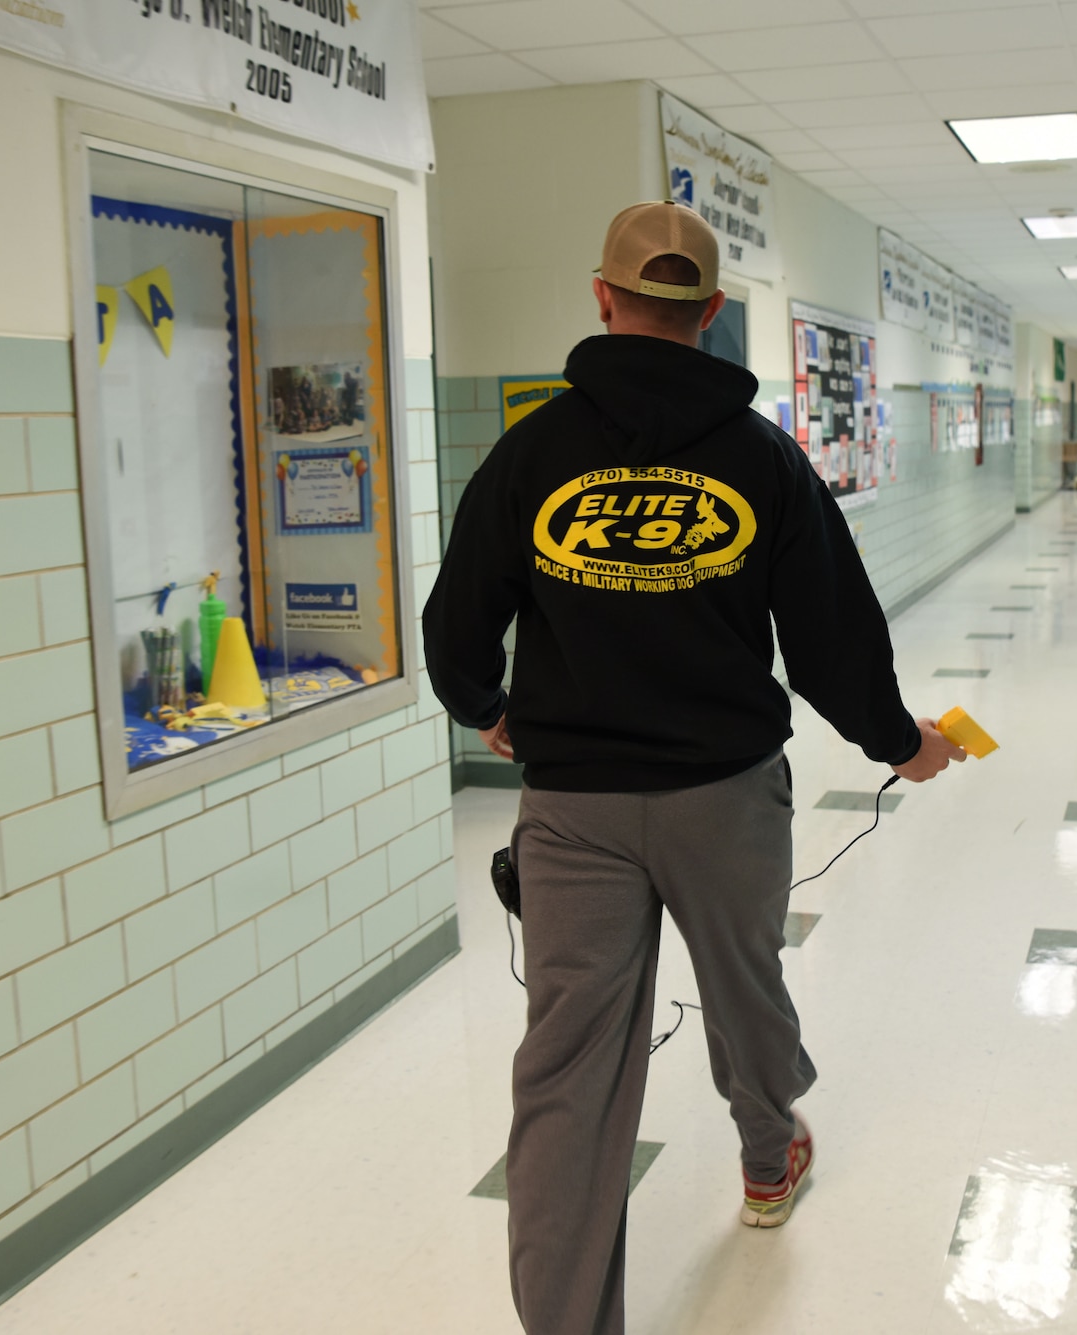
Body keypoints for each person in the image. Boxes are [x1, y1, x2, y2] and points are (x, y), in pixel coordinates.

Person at [423, 200, 964, 1335]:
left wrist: (488, 709)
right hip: (725, 797)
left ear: (601, 298)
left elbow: (456, 616)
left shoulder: (532, 450)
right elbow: (831, 634)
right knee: (745, 983)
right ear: (711, 313)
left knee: (566, 1074)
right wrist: (899, 744)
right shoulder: (762, 456)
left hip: (569, 814)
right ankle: (769, 1159)